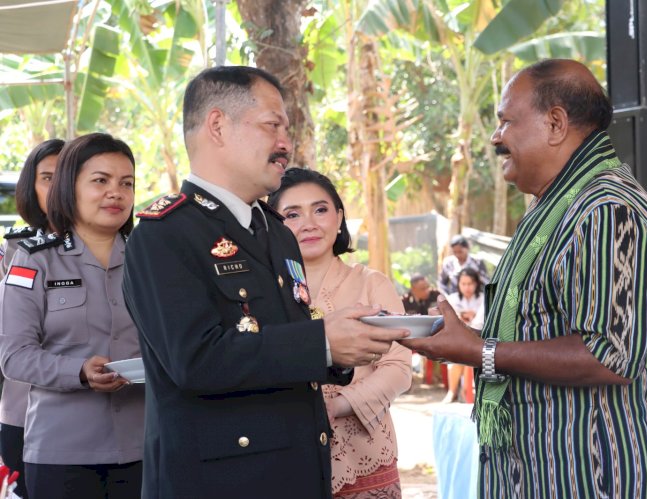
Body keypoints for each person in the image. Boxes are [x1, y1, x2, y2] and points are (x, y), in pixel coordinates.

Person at [121, 66, 408, 499]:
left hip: (298, 471)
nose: (285, 145)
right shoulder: (164, 234)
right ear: (217, 126)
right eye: (272, 125)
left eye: (286, 130)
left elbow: (283, 337)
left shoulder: (276, 232)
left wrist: (342, 349)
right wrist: (322, 343)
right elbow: (195, 360)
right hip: (219, 483)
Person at [403, 59, 647, 497]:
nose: (497, 138)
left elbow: (608, 355)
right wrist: (467, 338)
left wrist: (481, 350)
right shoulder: (556, 206)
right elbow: (543, 329)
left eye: (506, 121)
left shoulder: (606, 209)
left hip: (594, 477)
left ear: (555, 123)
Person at [0, 133, 144, 499]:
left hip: (145, 444)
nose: (116, 193)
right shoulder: (35, 259)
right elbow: (14, 356)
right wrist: (78, 371)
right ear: (70, 188)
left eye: (126, 183)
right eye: (100, 181)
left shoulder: (150, 260)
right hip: (60, 452)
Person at [268, 167, 412, 498]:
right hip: (286, 457)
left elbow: (399, 369)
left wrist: (340, 404)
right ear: (274, 227)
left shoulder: (371, 283)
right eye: (292, 214)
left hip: (366, 456)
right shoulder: (264, 294)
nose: (309, 223)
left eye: (320, 209)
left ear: (339, 217)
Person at [0, 138, 64, 499]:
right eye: (46, 178)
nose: (56, 188)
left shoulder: (122, 249)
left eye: (64, 176)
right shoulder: (15, 250)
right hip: (24, 412)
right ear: (31, 186)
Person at [443, 267, 484, 403]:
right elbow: (449, 320)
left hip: (479, 338)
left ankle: (471, 392)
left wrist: (469, 318)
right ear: (458, 284)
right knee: (455, 357)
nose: (467, 287)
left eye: (470, 283)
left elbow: (481, 323)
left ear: (476, 283)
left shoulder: (484, 298)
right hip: (457, 338)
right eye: (463, 284)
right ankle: (452, 391)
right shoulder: (452, 299)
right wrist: (463, 317)